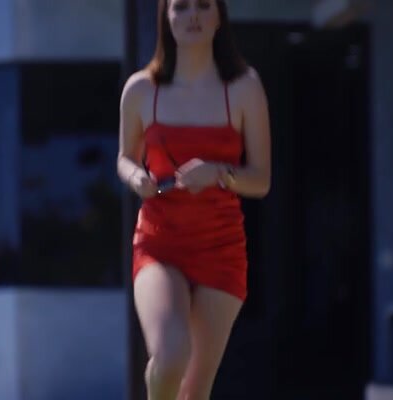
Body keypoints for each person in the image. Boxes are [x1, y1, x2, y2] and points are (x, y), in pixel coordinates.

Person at [117, 0, 271, 399]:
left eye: (203, 5)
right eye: (181, 7)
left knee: (195, 391)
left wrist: (218, 172)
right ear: (166, 18)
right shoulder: (141, 89)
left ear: (219, 17)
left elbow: (261, 180)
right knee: (170, 357)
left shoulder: (244, 87)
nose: (193, 16)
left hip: (221, 249)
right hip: (159, 243)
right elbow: (125, 158)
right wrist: (136, 177)